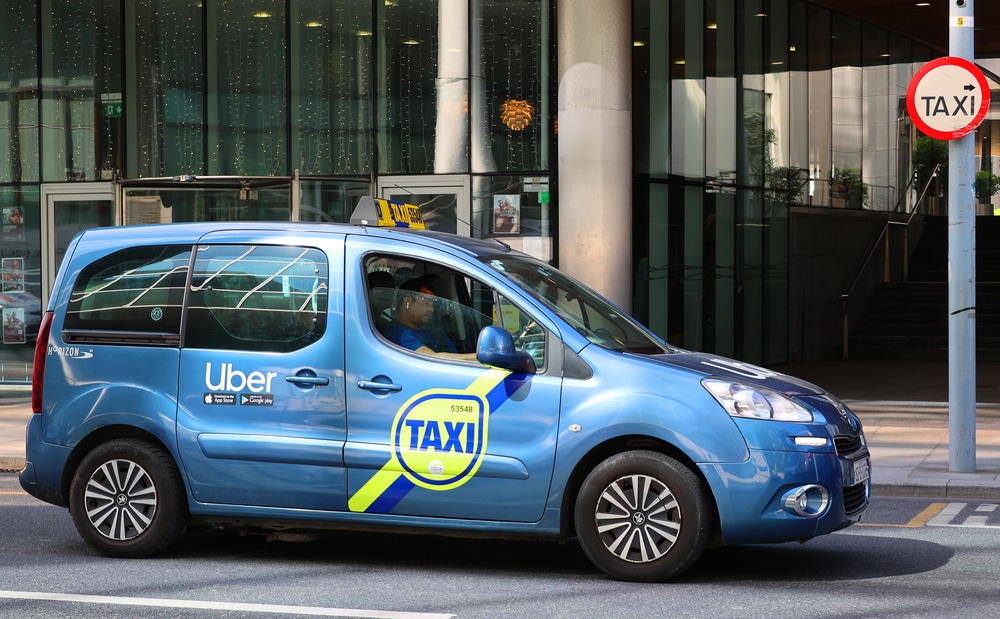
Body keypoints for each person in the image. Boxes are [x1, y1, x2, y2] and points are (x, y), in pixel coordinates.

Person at [383, 275, 477, 360]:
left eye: (432, 304)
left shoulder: (431, 330)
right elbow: (433, 359)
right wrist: (479, 358)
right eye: (427, 303)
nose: (431, 309)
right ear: (407, 303)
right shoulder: (400, 335)